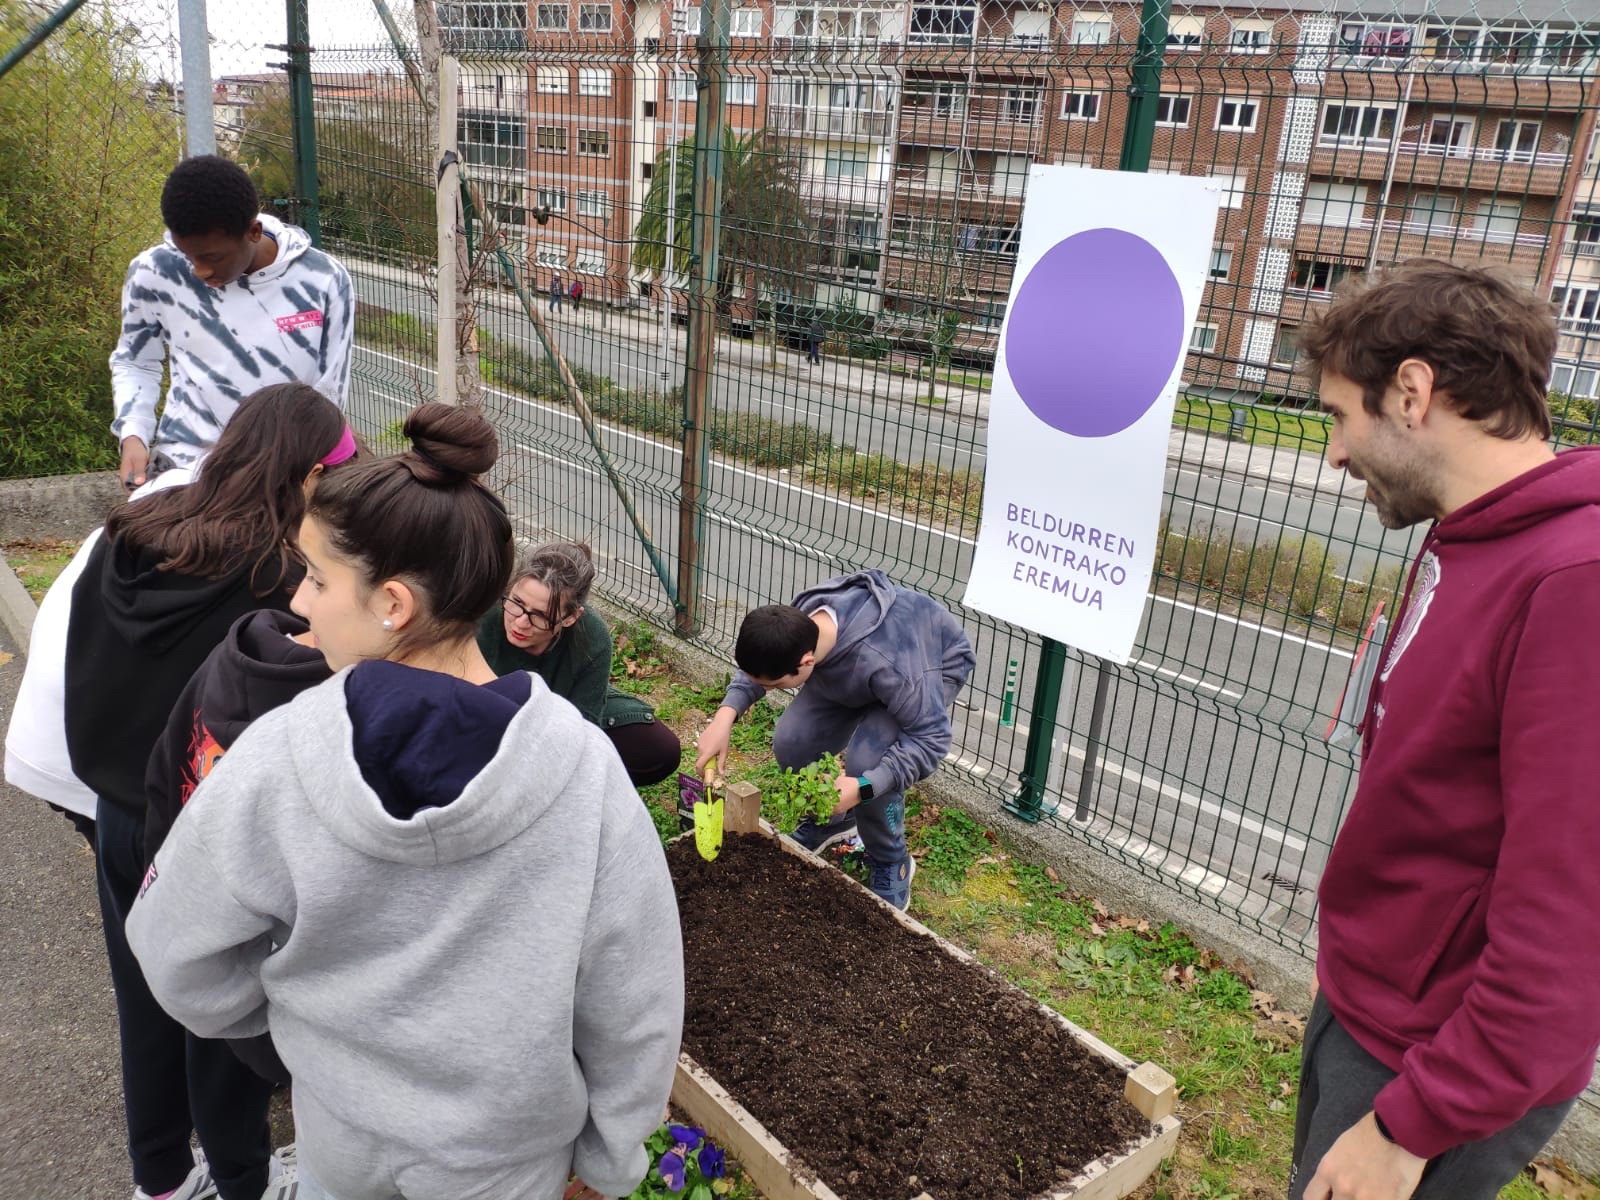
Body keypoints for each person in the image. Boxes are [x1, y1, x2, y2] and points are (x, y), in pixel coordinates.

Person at [128, 404, 684, 1200]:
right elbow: (635, 999)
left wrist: (293, 1030)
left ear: (392, 603)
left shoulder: (284, 752)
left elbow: (173, 948)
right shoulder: (585, 775)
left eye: (318, 578)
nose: (303, 603)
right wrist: (610, 1160)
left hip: (341, 1140)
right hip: (506, 1160)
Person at [1288, 260, 1600, 1200]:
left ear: (1414, 393)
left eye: (1342, 416)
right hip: (1375, 1012)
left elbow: (1570, 928)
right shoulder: (1471, 531)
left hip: (1432, 1067)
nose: (1335, 454)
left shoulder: (1574, 584)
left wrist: (1410, 1123)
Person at [65, 383, 355, 1200]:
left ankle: (158, 1179)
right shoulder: (278, 573)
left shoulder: (136, 529)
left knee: (144, 996)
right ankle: (241, 1182)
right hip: (206, 827)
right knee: (225, 1018)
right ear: (303, 476)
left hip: (119, 812)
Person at [696, 570, 975, 909]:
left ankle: (891, 860)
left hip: (928, 664)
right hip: (857, 671)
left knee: (867, 764)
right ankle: (834, 820)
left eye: (774, 686)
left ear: (806, 662)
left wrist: (861, 788)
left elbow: (930, 740)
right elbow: (763, 663)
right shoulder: (803, 620)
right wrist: (725, 716)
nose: (766, 690)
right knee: (793, 741)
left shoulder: (896, 669)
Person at [112, 155, 354, 490]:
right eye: (188, 256)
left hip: (281, 476)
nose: (199, 271)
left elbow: (328, 397)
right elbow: (136, 360)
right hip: (184, 470)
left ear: (253, 232)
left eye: (212, 257)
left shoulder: (324, 279)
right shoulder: (155, 273)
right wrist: (133, 434)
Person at [477, 541, 683, 788]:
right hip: (491, 715)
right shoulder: (484, 615)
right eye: (516, 603)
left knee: (659, 750)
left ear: (571, 617)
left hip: (564, 708)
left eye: (541, 616)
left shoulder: (592, 636)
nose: (520, 622)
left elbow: (583, 727)